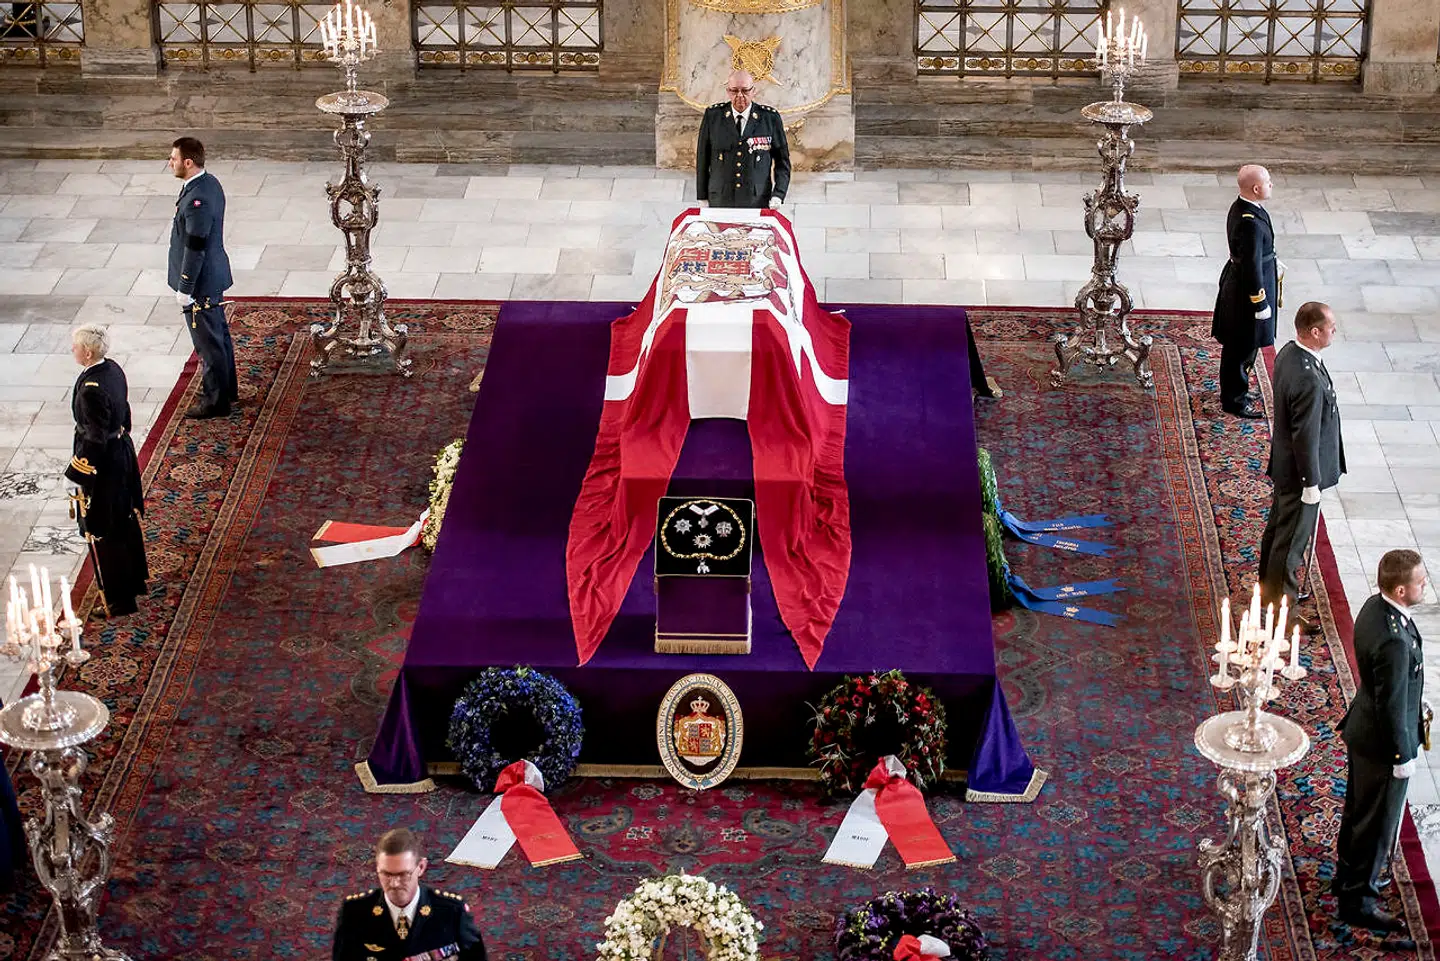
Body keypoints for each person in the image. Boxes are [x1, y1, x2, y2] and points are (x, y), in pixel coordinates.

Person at [1333, 549, 1429, 933]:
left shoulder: (1376, 607)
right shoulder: (1394, 640)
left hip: (1364, 730)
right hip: (1382, 743)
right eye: (1420, 581)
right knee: (1376, 826)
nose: (1426, 585)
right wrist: (1401, 754)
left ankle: (1347, 878)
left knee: (1359, 812)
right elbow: (1391, 705)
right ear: (1402, 589)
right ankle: (1359, 901)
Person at [1258, 302, 1344, 628]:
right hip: (1300, 472)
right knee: (1292, 542)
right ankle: (1285, 613)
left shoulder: (1290, 355)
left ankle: (1269, 593)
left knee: (1278, 530)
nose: (1334, 330)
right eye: (1330, 326)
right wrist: (1311, 482)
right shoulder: (1307, 377)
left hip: (1286, 465)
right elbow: (1304, 435)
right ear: (1314, 332)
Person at [63, 324, 149, 618]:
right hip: (121, 452)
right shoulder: (112, 369)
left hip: (105, 467)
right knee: (123, 520)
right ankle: (134, 581)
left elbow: (94, 440)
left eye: (75, 346)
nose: (72, 350)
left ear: (87, 352)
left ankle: (120, 599)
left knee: (104, 529)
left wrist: (76, 473)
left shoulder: (90, 392)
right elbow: (123, 410)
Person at [333, 828, 487, 961]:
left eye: (403, 875)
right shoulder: (355, 913)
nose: (394, 884)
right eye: (386, 874)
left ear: (421, 867)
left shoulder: (451, 912)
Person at [168, 136, 237, 420]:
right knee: (218, 336)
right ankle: (227, 389)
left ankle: (216, 401)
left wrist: (185, 286)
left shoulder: (197, 200)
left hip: (201, 282)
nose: (169, 163)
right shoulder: (207, 183)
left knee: (208, 344)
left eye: (173, 158)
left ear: (188, 162)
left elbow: (195, 246)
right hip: (210, 276)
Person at [1211, 164, 1280, 419]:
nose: (1271, 184)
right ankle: (1234, 400)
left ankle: (1238, 389)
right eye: (1268, 181)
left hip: (1250, 280)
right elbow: (1251, 265)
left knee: (1247, 345)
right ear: (1255, 188)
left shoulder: (1248, 209)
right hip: (1246, 292)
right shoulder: (1248, 221)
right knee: (1240, 347)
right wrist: (1259, 302)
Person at [695, 69, 791, 210]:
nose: (740, 96)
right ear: (728, 91)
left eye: (745, 90)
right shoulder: (713, 117)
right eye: (734, 91)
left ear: (754, 91)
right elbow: (702, 160)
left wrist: (778, 195)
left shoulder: (769, 118)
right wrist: (702, 197)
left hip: (757, 201)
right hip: (720, 200)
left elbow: (783, 163)